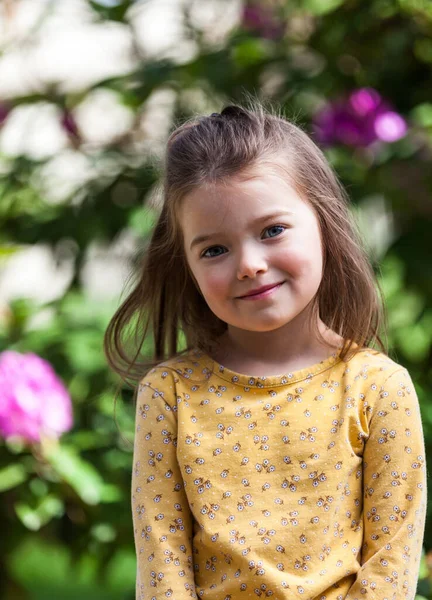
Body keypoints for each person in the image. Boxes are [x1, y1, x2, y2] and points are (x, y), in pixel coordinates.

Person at [104, 100, 427, 600]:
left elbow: (391, 568)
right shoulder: (168, 396)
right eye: (214, 249)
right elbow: (162, 571)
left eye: (272, 230)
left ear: (324, 223)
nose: (249, 264)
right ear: (186, 264)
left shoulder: (378, 389)